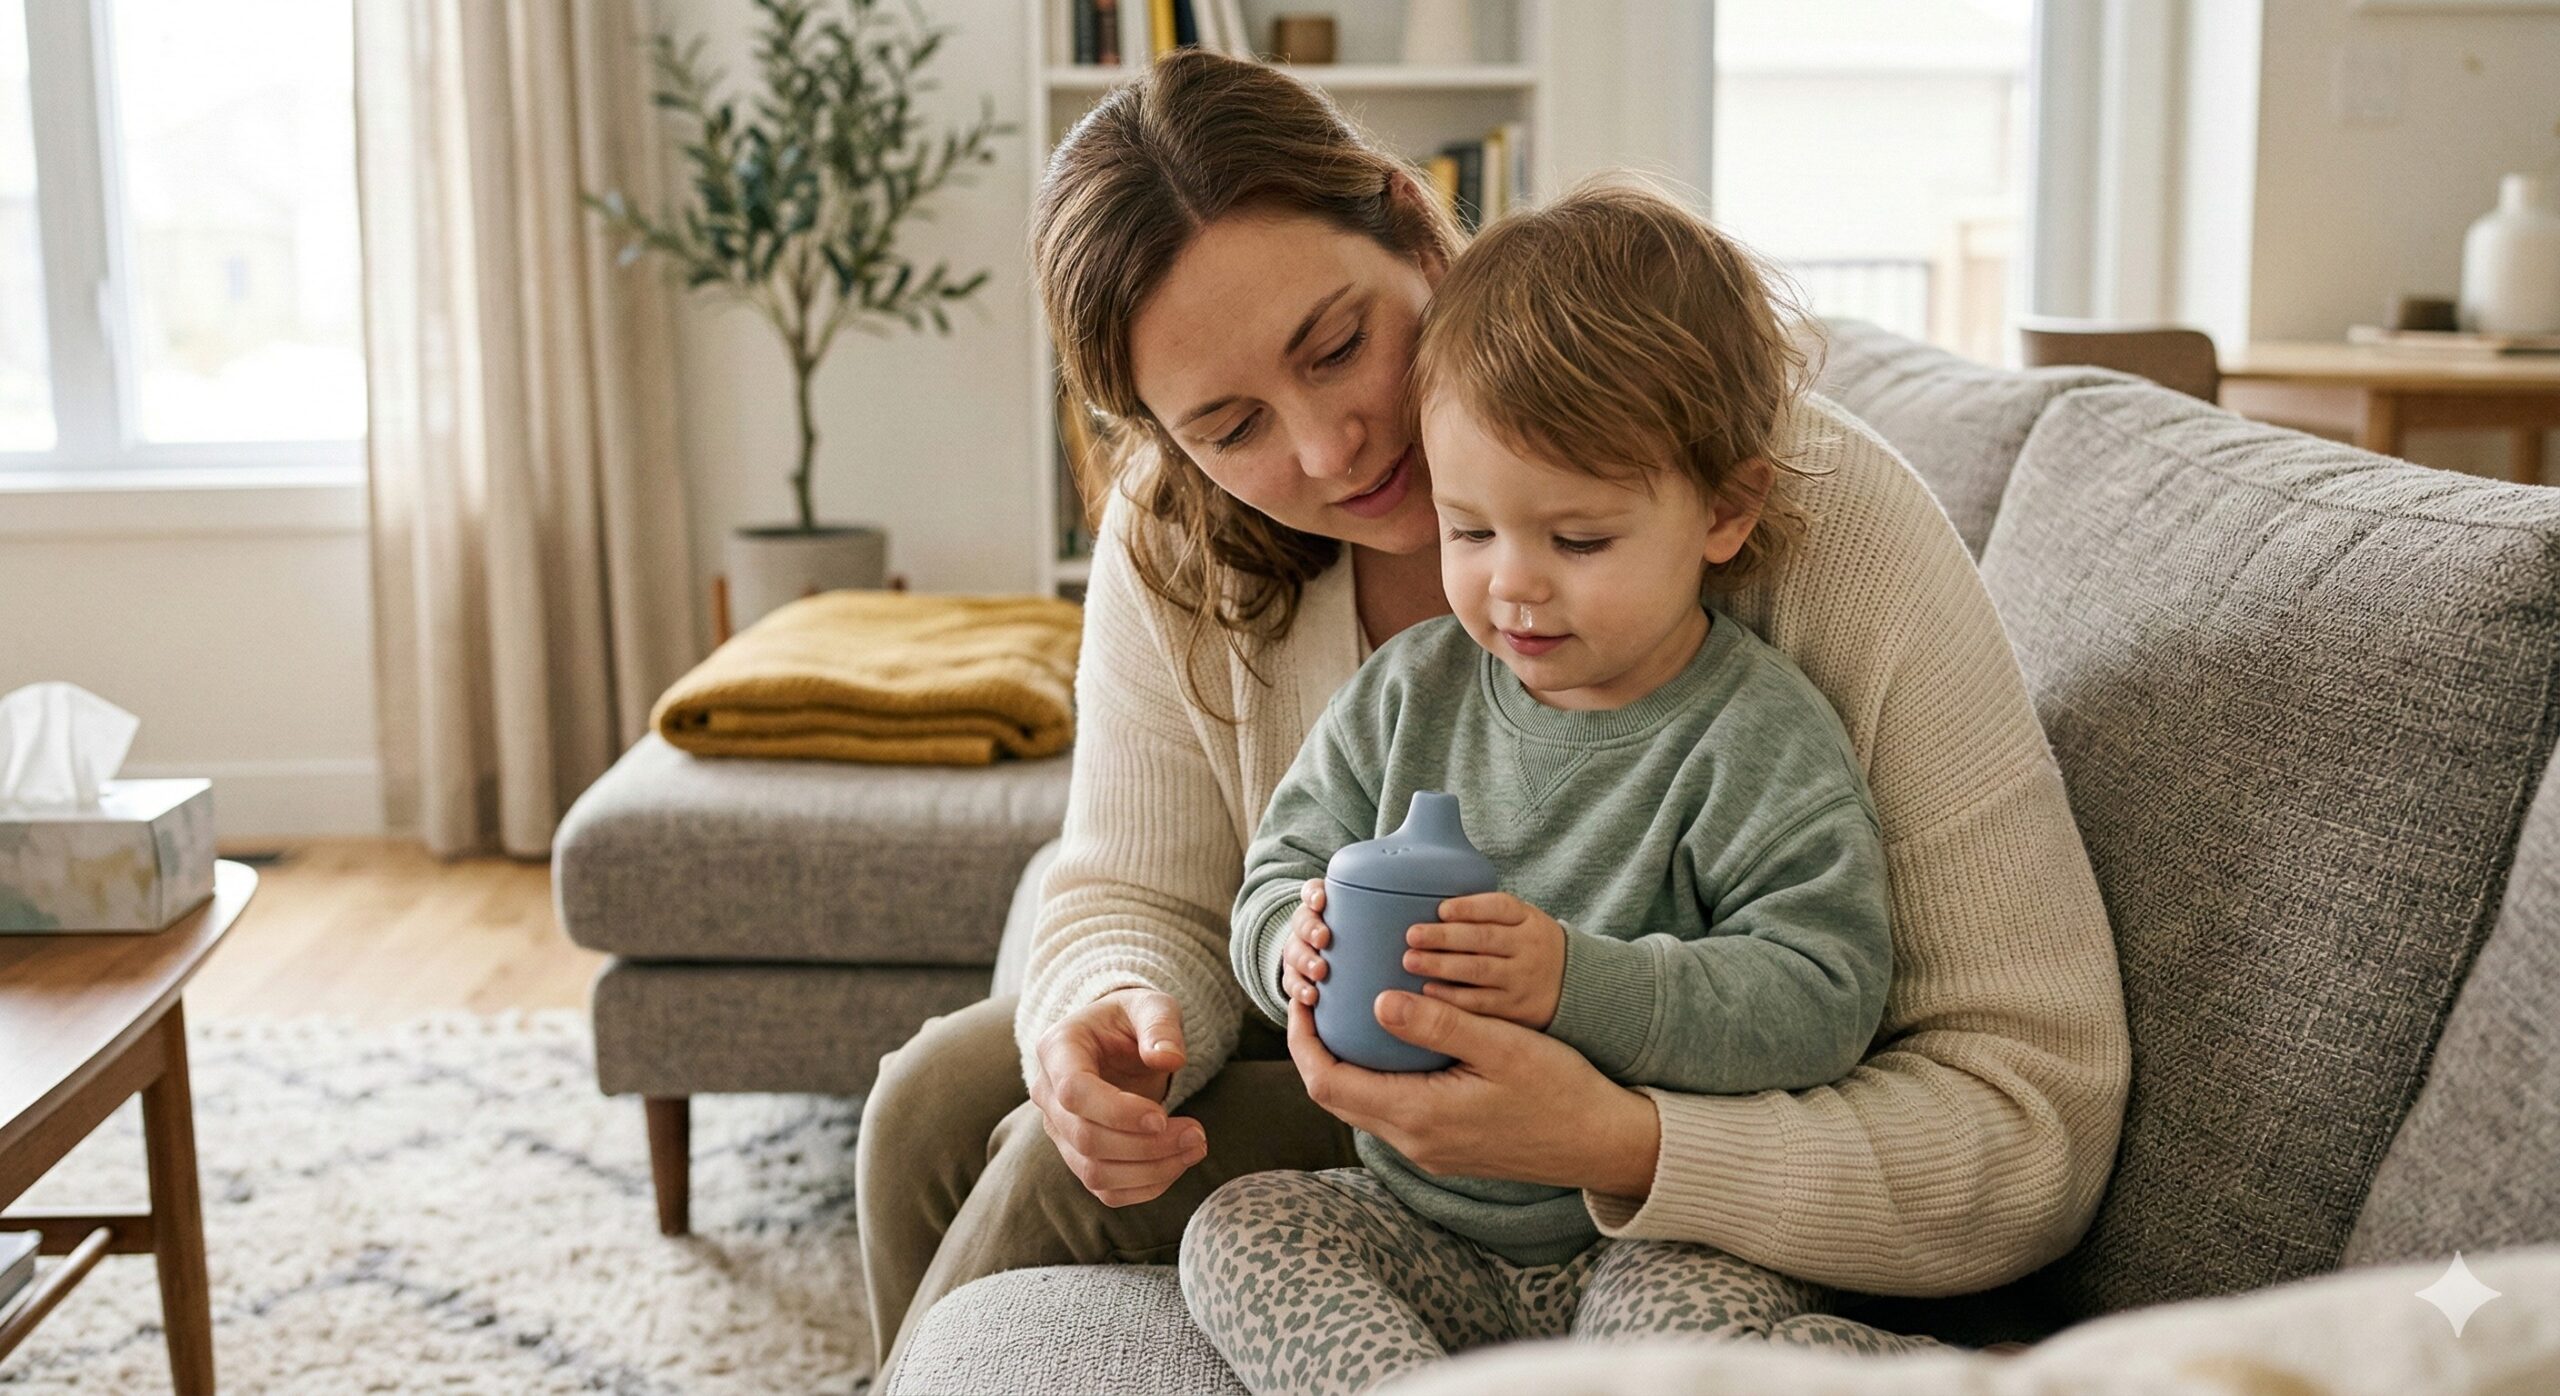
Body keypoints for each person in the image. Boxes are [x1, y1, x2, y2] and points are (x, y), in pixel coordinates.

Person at [855, 47, 2130, 1382]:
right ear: (1171, 444)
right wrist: (1114, 1011)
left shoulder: (1800, 520)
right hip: (1390, 1105)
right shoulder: (1191, 538)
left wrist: (1618, 1135)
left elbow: (2027, 1119)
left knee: (1037, 1178)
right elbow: (1144, 890)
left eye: (1339, 344)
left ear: (1417, 228)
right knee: (937, 1102)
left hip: (1681, 1122)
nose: (1327, 448)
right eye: (1231, 425)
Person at [1180, 180, 1904, 1395]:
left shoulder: (1753, 732)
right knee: (1242, 1231)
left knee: (1674, 1351)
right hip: (1421, 1223)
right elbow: (1277, 869)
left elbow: (1825, 994)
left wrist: (1578, 979)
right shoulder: (1410, 693)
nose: (1513, 588)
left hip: (1650, 1231)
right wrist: (1289, 943)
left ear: (1724, 509)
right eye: (1468, 532)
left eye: (1576, 541)